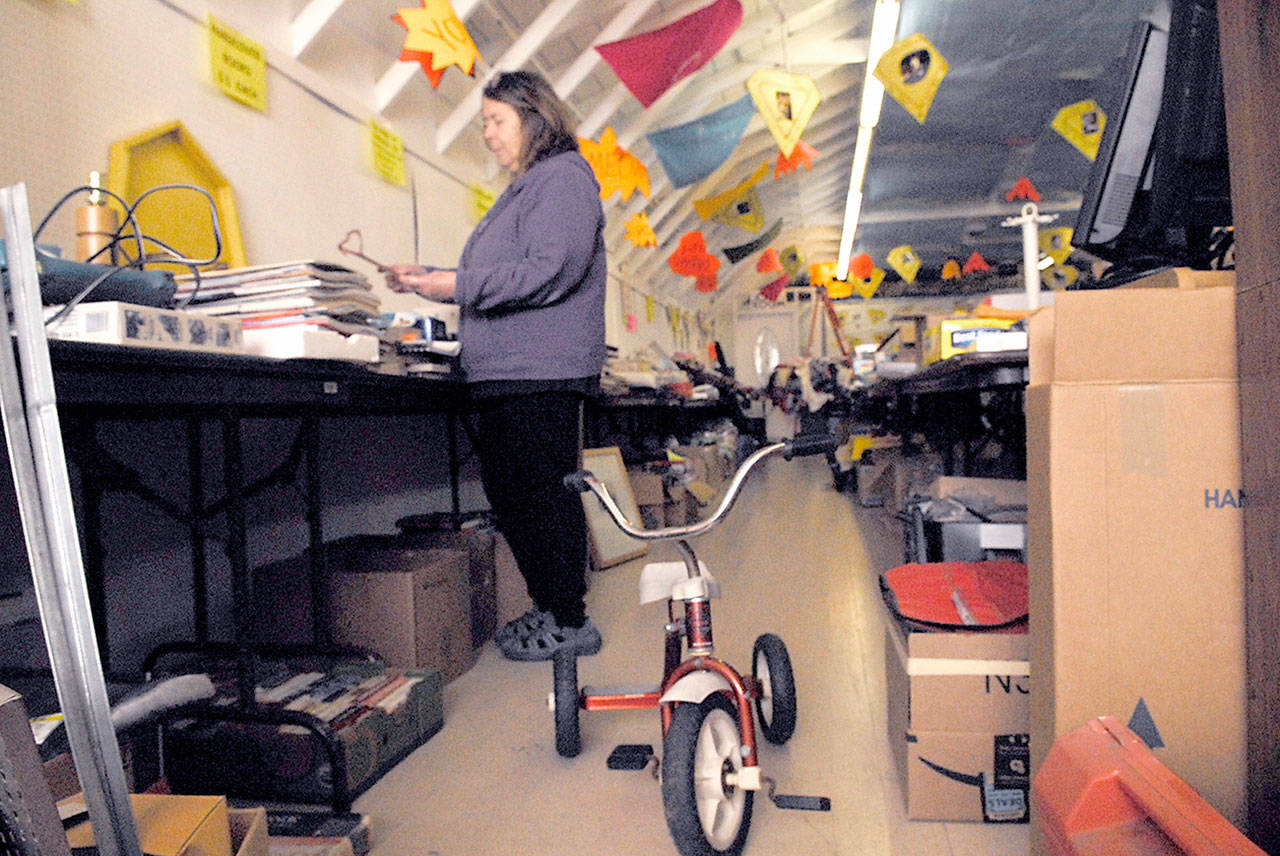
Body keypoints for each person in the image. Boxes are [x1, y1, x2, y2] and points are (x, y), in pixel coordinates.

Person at [385, 70, 607, 662]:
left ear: (534, 119)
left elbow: (550, 267)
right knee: (515, 495)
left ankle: (570, 620)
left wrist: (456, 284)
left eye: (495, 121)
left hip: (539, 370)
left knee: (539, 494)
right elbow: (512, 270)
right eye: (484, 121)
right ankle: (553, 606)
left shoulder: (562, 178)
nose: (486, 133)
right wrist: (434, 279)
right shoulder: (530, 186)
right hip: (511, 370)